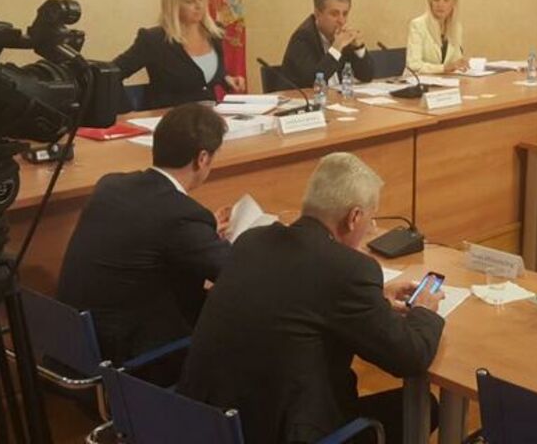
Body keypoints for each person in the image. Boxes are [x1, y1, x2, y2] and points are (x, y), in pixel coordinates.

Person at [179, 153, 444, 444]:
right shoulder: (348, 270)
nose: (370, 229)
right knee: (424, 407)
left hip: (206, 424)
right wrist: (425, 310)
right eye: (371, 219)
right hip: (282, 433)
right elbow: (410, 357)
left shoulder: (251, 242)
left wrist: (374, 298)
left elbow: (294, 293)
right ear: (354, 217)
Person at [57, 104, 231, 371]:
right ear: (202, 158)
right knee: (238, 319)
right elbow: (235, 272)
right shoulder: (181, 216)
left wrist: (203, 235)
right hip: (127, 361)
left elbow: (152, 235)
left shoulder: (111, 185)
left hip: (74, 344)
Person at [114, 0, 245, 110]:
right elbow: (110, 74)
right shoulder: (153, 40)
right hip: (171, 118)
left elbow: (201, 74)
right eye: (190, 1)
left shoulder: (214, 33)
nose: (198, 6)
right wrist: (126, 112)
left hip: (208, 116)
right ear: (174, 6)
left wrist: (225, 78)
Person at [281, 0, 375, 87]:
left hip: (336, 95)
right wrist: (336, 48)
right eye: (334, 14)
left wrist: (359, 48)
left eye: (345, 14)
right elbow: (313, 81)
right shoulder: (303, 38)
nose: (341, 21)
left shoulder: (342, 37)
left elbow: (367, 76)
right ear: (317, 14)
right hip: (306, 96)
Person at [406, 0, 466, 74]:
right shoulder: (418, 25)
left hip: (445, 80)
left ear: (453, 4)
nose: (440, 4)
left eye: (446, 0)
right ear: (430, 3)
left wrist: (461, 65)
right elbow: (414, 65)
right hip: (418, 80)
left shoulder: (457, 28)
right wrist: (443, 68)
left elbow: (456, 61)